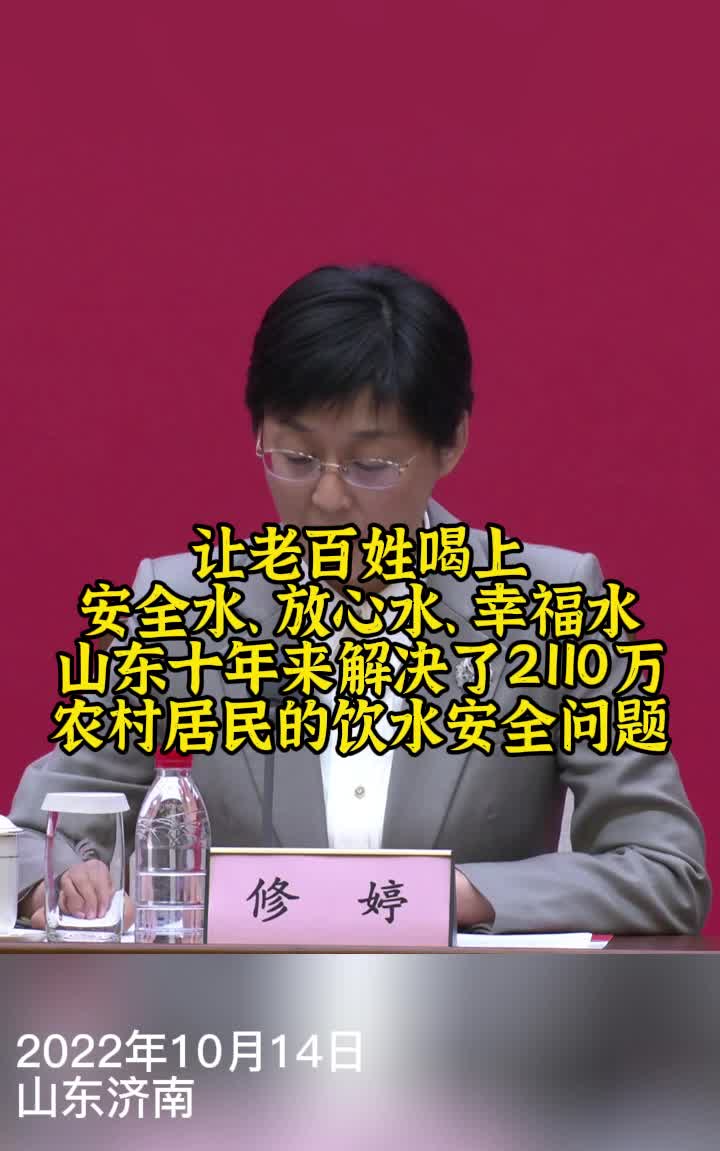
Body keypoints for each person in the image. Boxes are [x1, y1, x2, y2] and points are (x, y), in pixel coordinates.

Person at [10, 263, 710, 933]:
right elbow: (43, 829)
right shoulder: (182, 605)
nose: (326, 497)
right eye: (296, 458)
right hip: (233, 1007)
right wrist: (60, 882)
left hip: (473, 1009)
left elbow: (664, 869)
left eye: (371, 465)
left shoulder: (550, 603)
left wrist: (456, 896)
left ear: (451, 443)